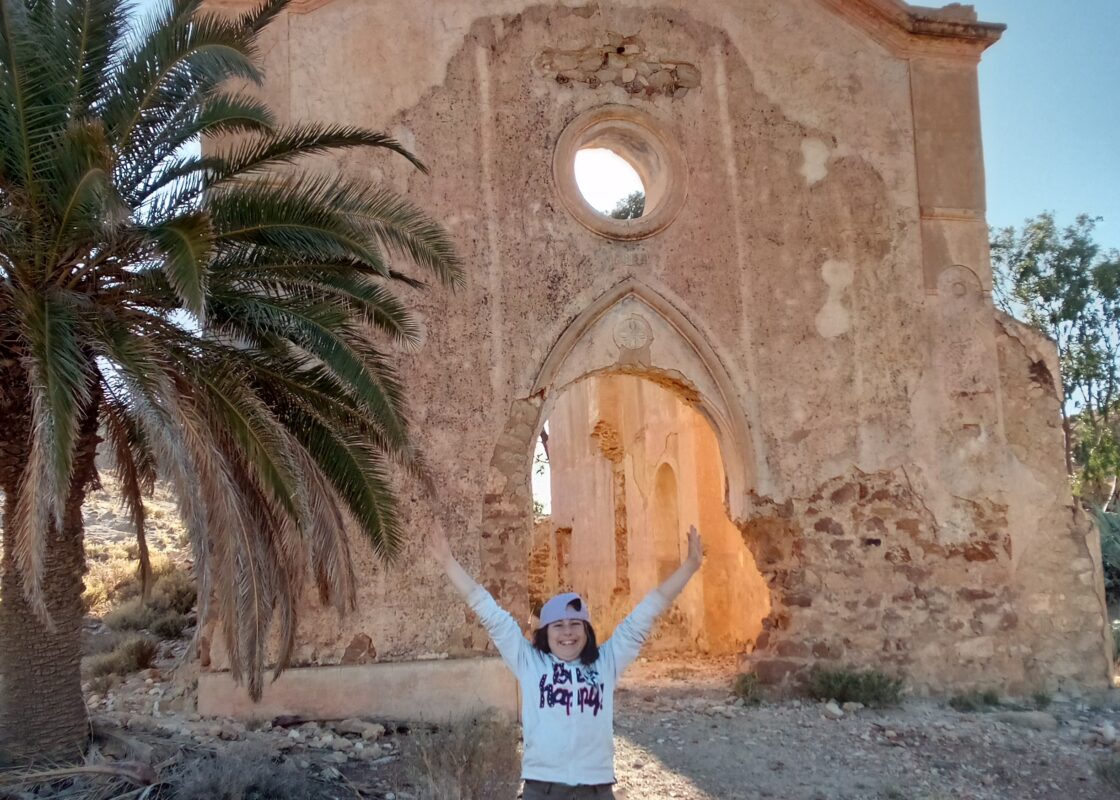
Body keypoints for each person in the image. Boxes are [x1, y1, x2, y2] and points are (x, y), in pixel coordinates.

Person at [428, 520, 704, 800]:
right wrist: (449, 563)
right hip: (542, 789)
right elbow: (488, 610)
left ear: (587, 631)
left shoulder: (606, 662)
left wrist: (690, 567)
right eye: (558, 626)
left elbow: (648, 611)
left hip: (596, 790)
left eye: (575, 624)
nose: (568, 632)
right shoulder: (530, 662)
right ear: (545, 634)